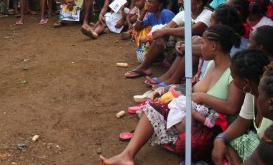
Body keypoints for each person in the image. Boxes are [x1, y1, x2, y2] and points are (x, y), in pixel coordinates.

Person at [100, 25, 244, 164]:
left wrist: (200, 97)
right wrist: (178, 92)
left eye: (203, 43)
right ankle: (127, 155)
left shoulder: (233, 73)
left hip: (211, 126)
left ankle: (160, 138)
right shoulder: (213, 65)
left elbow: (232, 108)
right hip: (192, 115)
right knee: (153, 107)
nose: (200, 47)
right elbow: (196, 91)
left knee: (187, 144)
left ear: (214, 46)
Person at [211, 49, 271, 164]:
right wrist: (221, 138)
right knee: (225, 144)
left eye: (233, 77)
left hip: (267, 157)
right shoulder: (252, 91)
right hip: (259, 151)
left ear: (246, 82)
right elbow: (242, 121)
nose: (232, 81)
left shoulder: (272, 109)